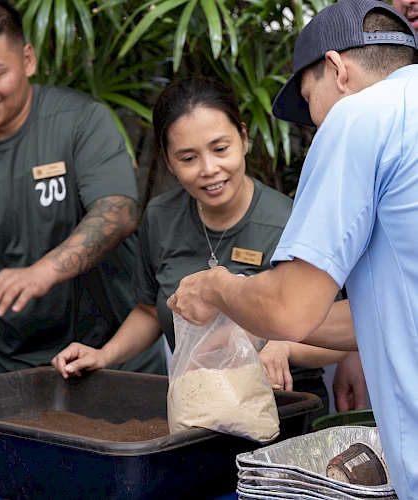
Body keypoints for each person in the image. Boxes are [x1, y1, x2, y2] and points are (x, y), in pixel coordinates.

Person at [167, 1, 418, 497]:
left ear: (336, 68)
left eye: (310, 100)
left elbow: (288, 309)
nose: (316, 126)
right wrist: (247, 322)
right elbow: (393, 308)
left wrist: (218, 287)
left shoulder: (358, 117)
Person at [52, 76, 348, 421]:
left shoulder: (291, 222)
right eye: (188, 158)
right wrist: (104, 356)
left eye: (220, 149)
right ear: (168, 160)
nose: (209, 170)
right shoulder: (161, 217)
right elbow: (150, 311)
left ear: (243, 137)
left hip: (282, 411)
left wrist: (281, 346)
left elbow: (337, 334)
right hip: (197, 413)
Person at [0, 0, 166, 378]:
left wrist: (44, 271)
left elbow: (118, 212)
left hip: (116, 355)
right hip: (18, 365)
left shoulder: (82, 121)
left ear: (28, 60)